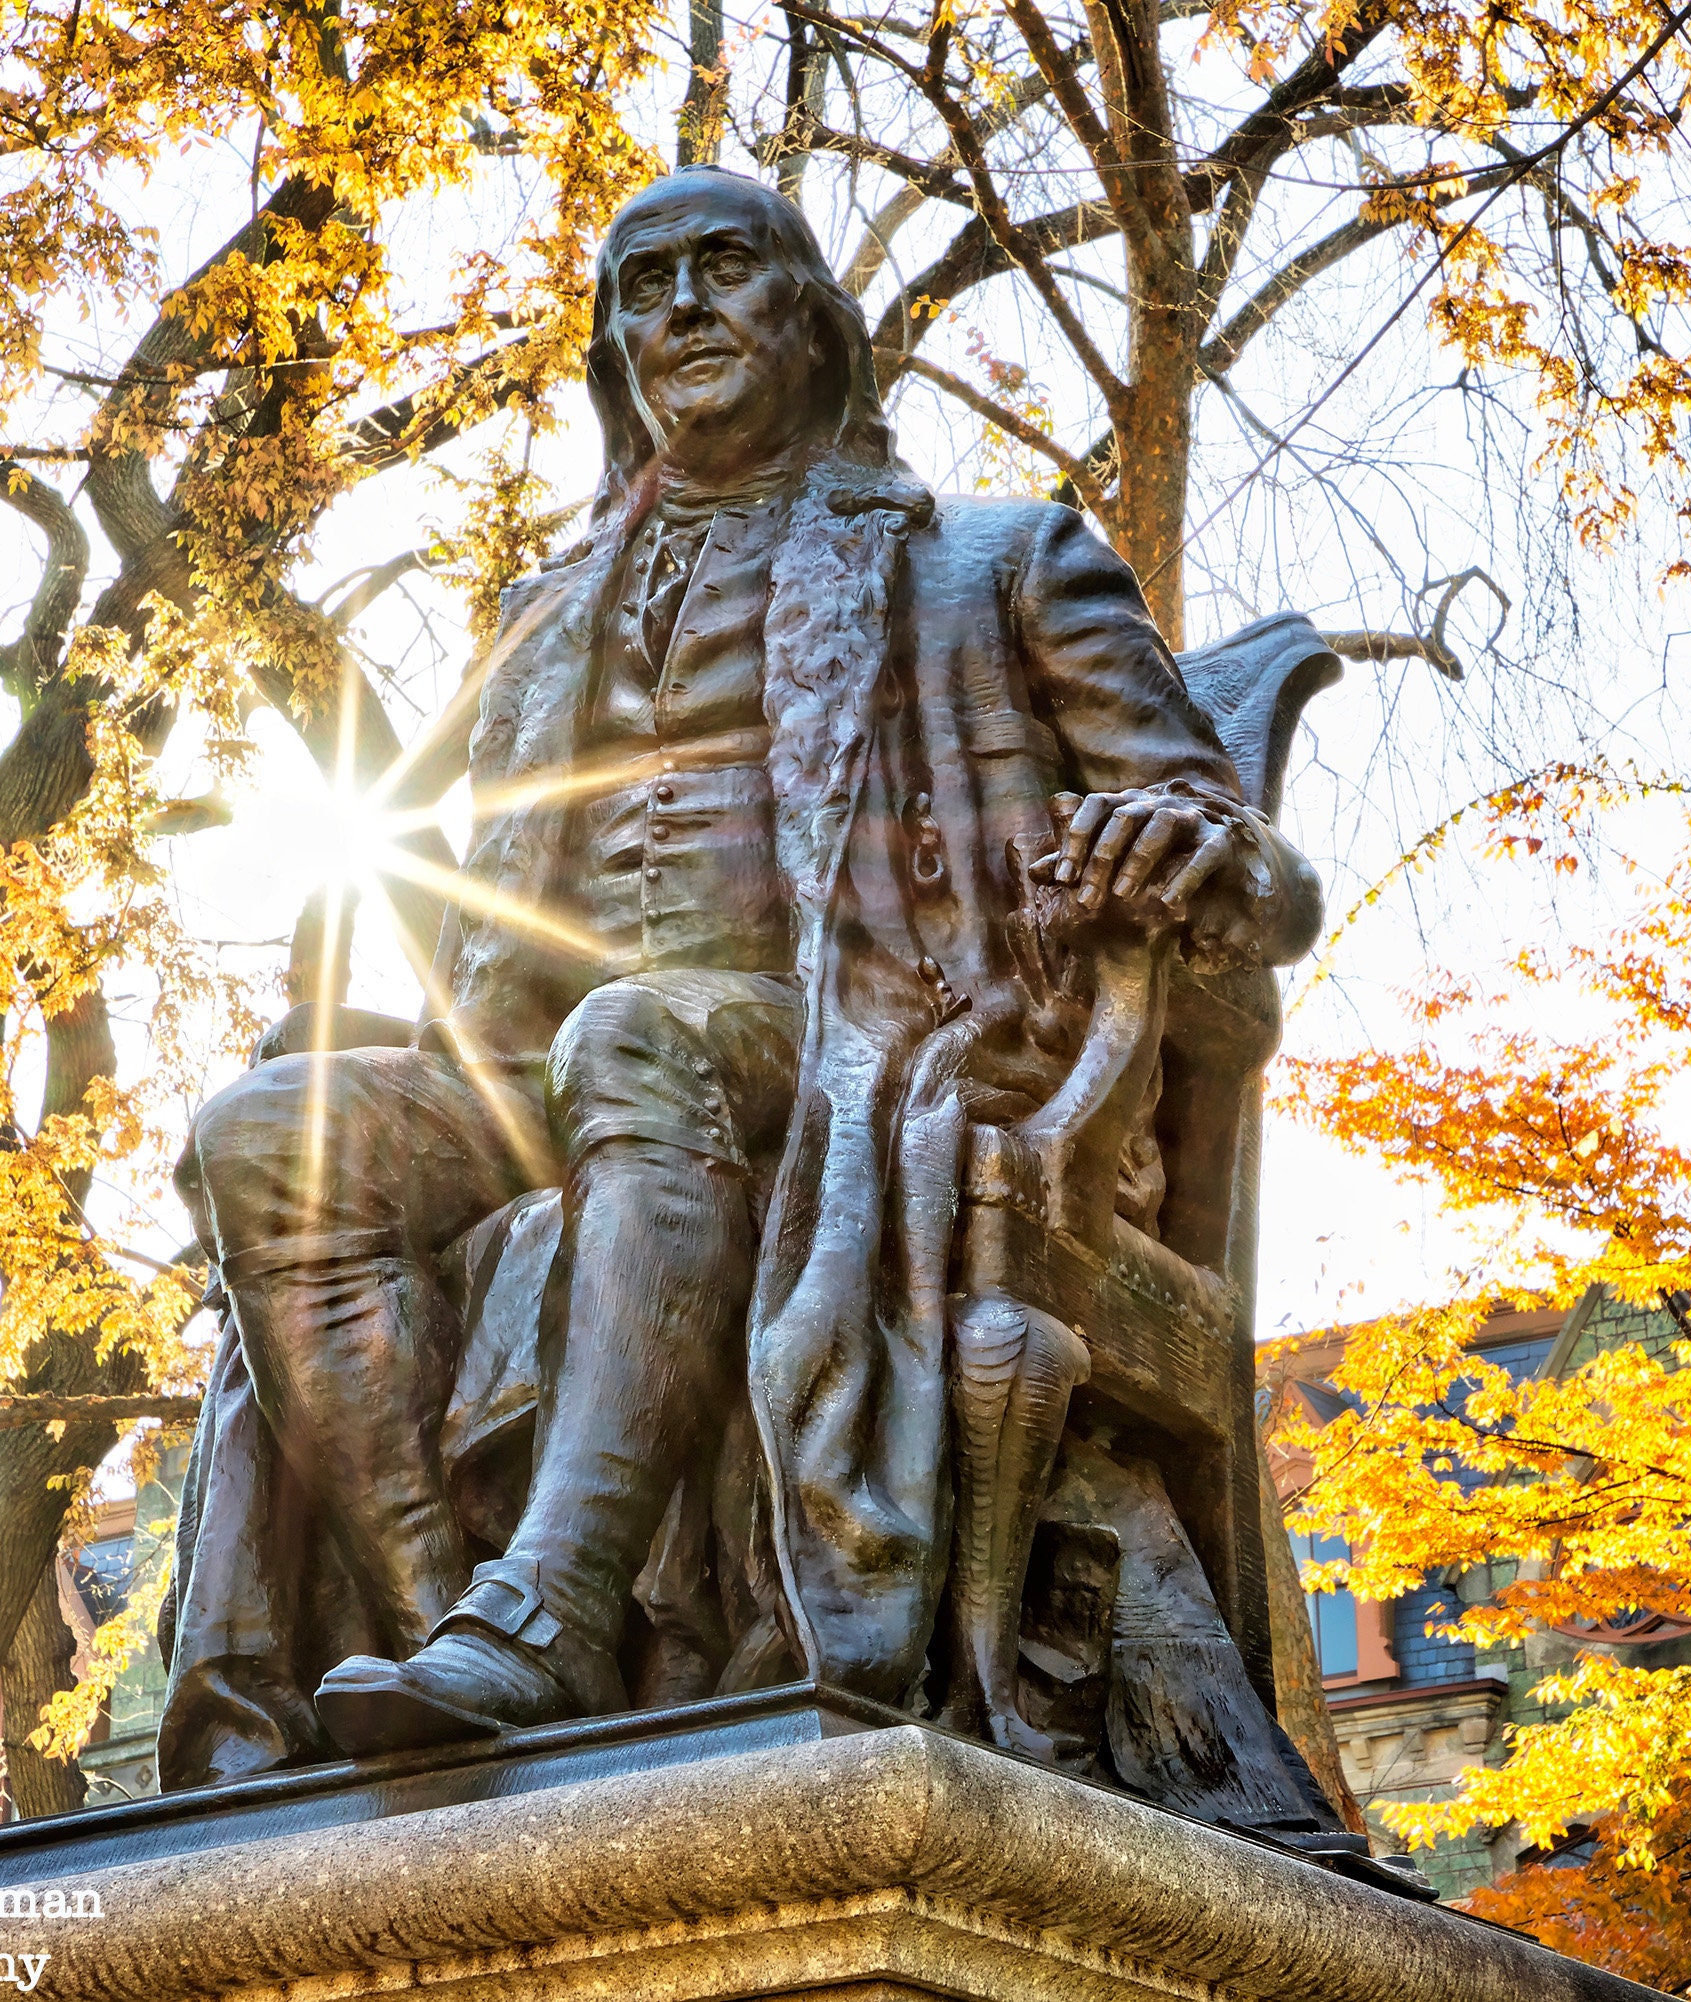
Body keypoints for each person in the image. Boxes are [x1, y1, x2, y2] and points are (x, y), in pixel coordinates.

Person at [158, 164, 1320, 1776]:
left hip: (851, 1038)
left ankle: (558, 1604)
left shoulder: (991, 560)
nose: (681, 306)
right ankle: (452, 1623)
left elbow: (1245, 862)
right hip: (543, 1068)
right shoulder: (541, 613)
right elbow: (449, 902)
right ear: (615, 356)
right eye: (644, 287)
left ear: (818, 328)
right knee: (263, 1129)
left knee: (640, 1032)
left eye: (723, 267)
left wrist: (1204, 857)